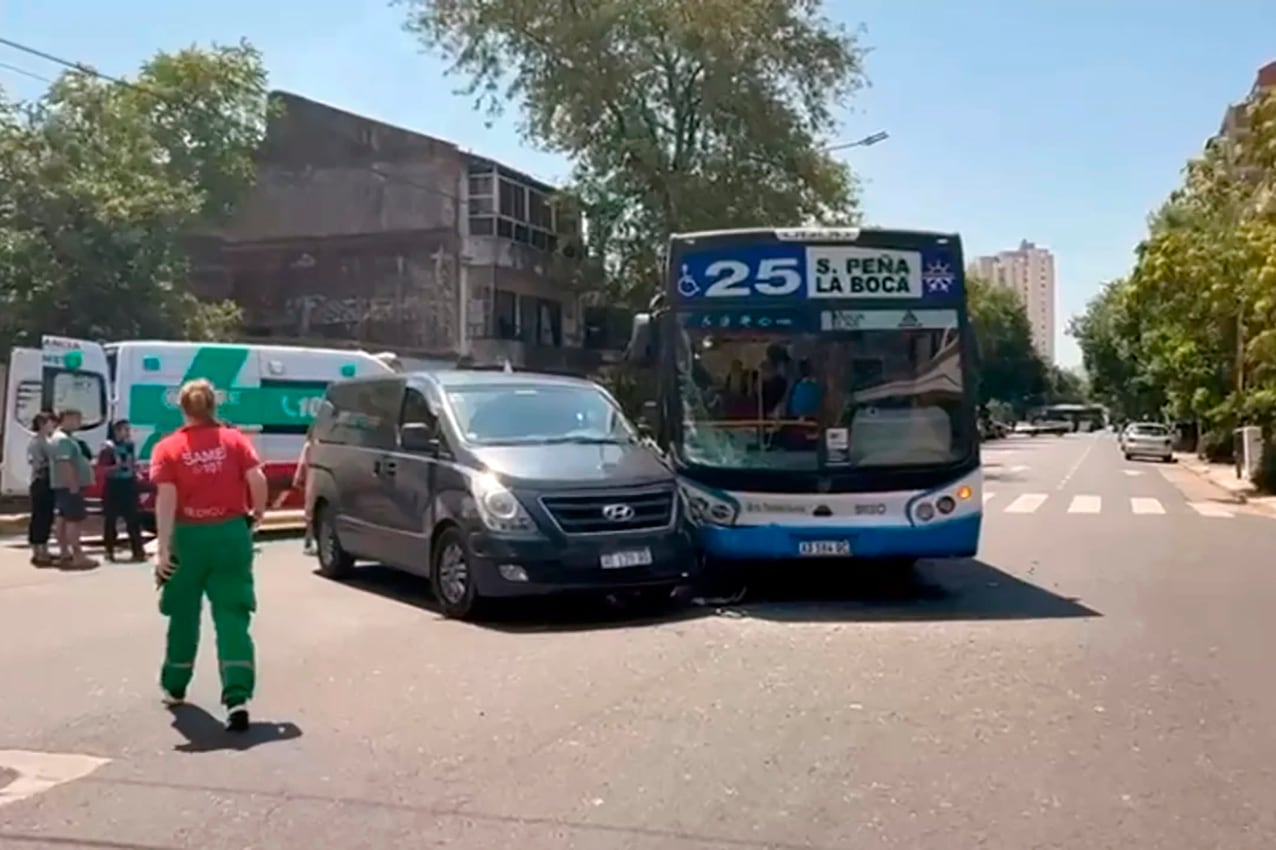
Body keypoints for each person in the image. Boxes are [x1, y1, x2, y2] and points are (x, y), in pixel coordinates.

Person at [151, 379, 268, 732]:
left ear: (183, 408)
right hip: (231, 534)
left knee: (183, 615)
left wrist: (163, 546)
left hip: (188, 538)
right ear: (214, 406)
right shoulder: (234, 441)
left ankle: (175, 685)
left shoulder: (169, 448)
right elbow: (257, 478)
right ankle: (237, 698)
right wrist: (256, 515)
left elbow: (166, 500)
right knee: (232, 615)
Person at [48, 409, 97, 570]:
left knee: (63, 519)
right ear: (66, 419)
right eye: (77, 419)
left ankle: (64, 553)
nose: (79, 423)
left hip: (64, 487)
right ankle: (77, 555)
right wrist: (73, 484)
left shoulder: (65, 438)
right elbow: (64, 462)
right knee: (73, 521)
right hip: (69, 487)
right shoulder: (62, 439)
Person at [99, 419, 146, 562]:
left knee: (133, 519)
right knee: (110, 520)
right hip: (114, 485)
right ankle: (109, 550)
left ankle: (138, 551)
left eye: (128, 429)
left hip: (129, 484)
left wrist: (135, 470)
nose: (127, 433)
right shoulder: (107, 448)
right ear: (116, 431)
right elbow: (102, 470)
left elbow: (132, 463)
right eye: (124, 429)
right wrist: (116, 467)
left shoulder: (130, 445)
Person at [26, 411, 58, 566]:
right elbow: (38, 463)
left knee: (46, 517)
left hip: (49, 482)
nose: (53, 425)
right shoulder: (37, 442)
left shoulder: (48, 440)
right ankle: (38, 550)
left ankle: (43, 547)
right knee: (40, 517)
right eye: (50, 422)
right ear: (42, 424)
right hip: (41, 482)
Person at [292, 426, 316, 555]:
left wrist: (299, 479)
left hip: (311, 483)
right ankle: (310, 541)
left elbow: (302, 465)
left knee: (310, 514)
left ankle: (309, 541)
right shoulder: (314, 447)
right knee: (312, 513)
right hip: (315, 481)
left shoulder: (309, 447)